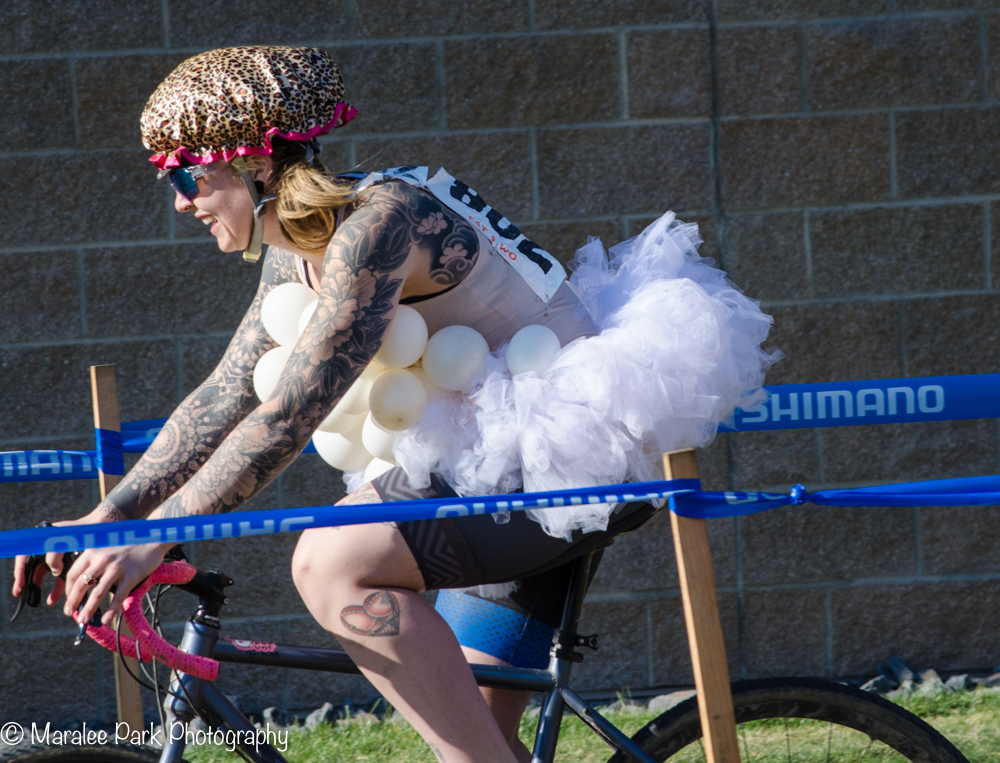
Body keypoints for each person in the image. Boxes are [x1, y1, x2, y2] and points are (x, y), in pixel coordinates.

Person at [11, 46, 777, 763]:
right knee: (478, 738)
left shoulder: (376, 225)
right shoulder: (297, 247)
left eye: (186, 177)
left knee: (330, 561)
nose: (182, 203)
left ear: (253, 162)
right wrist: (110, 516)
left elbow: (289, 414)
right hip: (495, 463)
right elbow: (228, 393)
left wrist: (159, 534)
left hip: (563, 453)